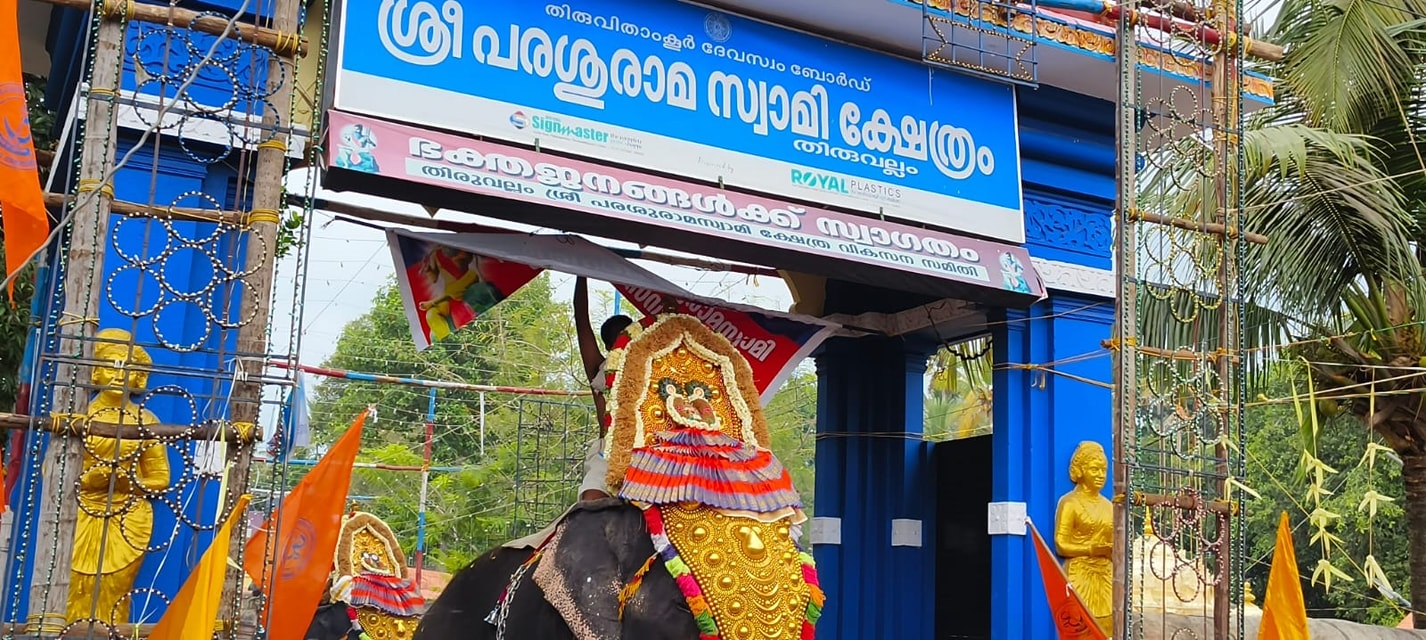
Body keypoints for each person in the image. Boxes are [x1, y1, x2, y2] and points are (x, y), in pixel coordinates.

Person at [573, 276, 632, 502]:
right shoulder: (600, 369)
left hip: (645, 456)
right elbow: (581, 319)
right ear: (608, 347)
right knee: (591, 501)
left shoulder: (651, 367)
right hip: (607, 454)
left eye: (628, 337)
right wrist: (581, 272)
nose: (624, 345)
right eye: (618, 340)